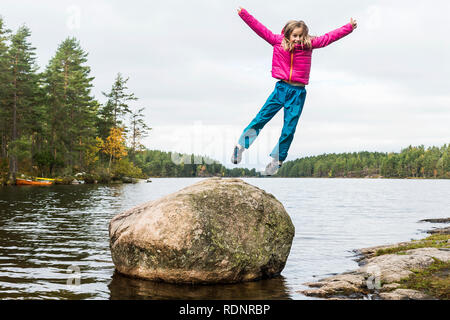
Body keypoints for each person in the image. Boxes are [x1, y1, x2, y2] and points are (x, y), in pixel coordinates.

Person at [231, 7, 357, 175]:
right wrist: (243, 14)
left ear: (305, 35)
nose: (297, 39)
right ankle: (240, 147)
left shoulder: (310, 45)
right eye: (294, 36)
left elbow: (329, 37)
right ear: (288, 35)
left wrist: (348, 27)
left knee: (289, 128)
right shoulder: (276, 41)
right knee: (261, 118)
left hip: (298, 93)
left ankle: (277, 160)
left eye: (300, 36)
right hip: (281, 88)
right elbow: (259, 28)